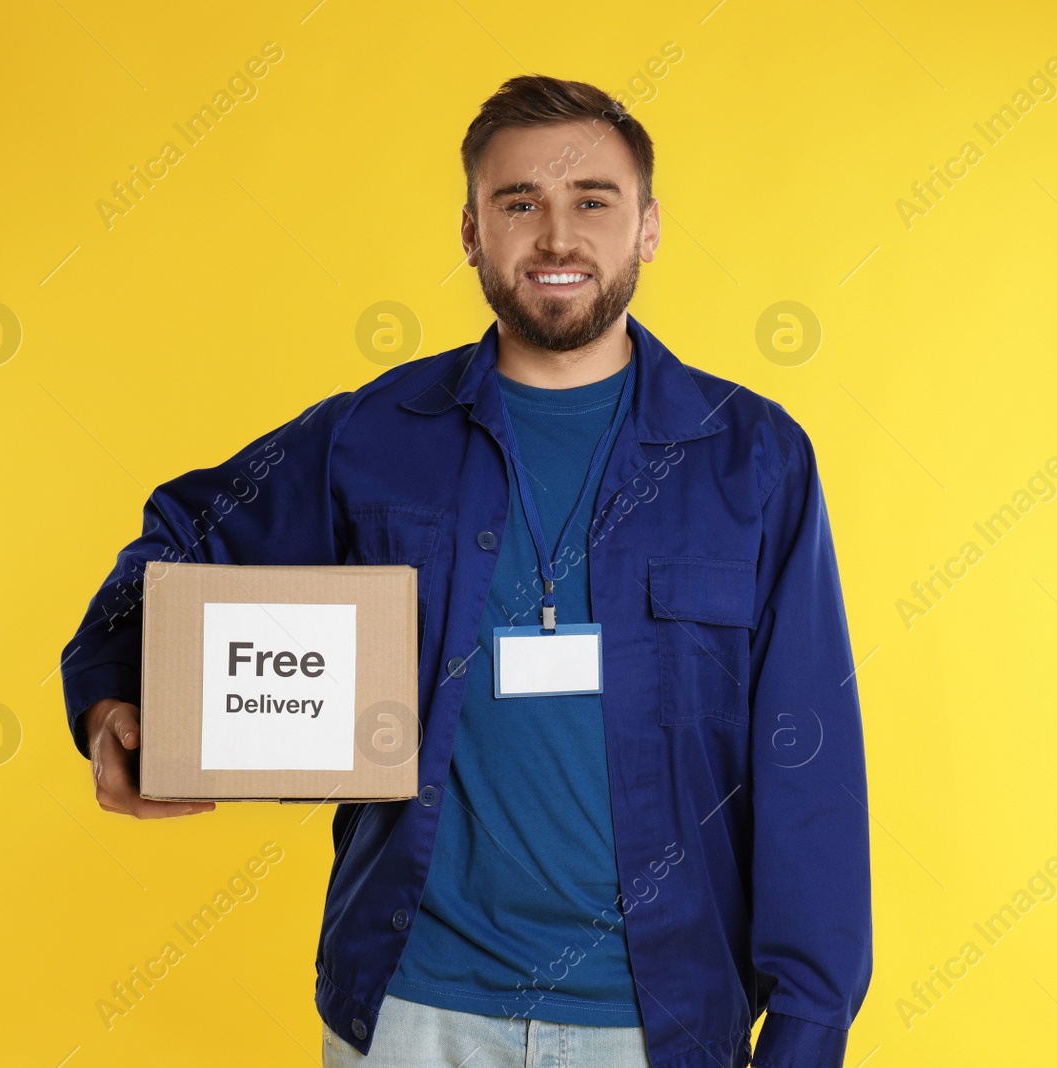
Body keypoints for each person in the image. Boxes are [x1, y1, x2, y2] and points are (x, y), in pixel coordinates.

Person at [60, 74, 873, 1068]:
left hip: (658, 1025)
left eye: (592, 203)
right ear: (470, 231)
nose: (557, 238)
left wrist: (804, 1033)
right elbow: (176, 541)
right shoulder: (372, 435)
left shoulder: (752, 456)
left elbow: (809, 764)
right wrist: (111, 703)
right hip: (409, 1015)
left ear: (648, 228)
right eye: (519, 203)